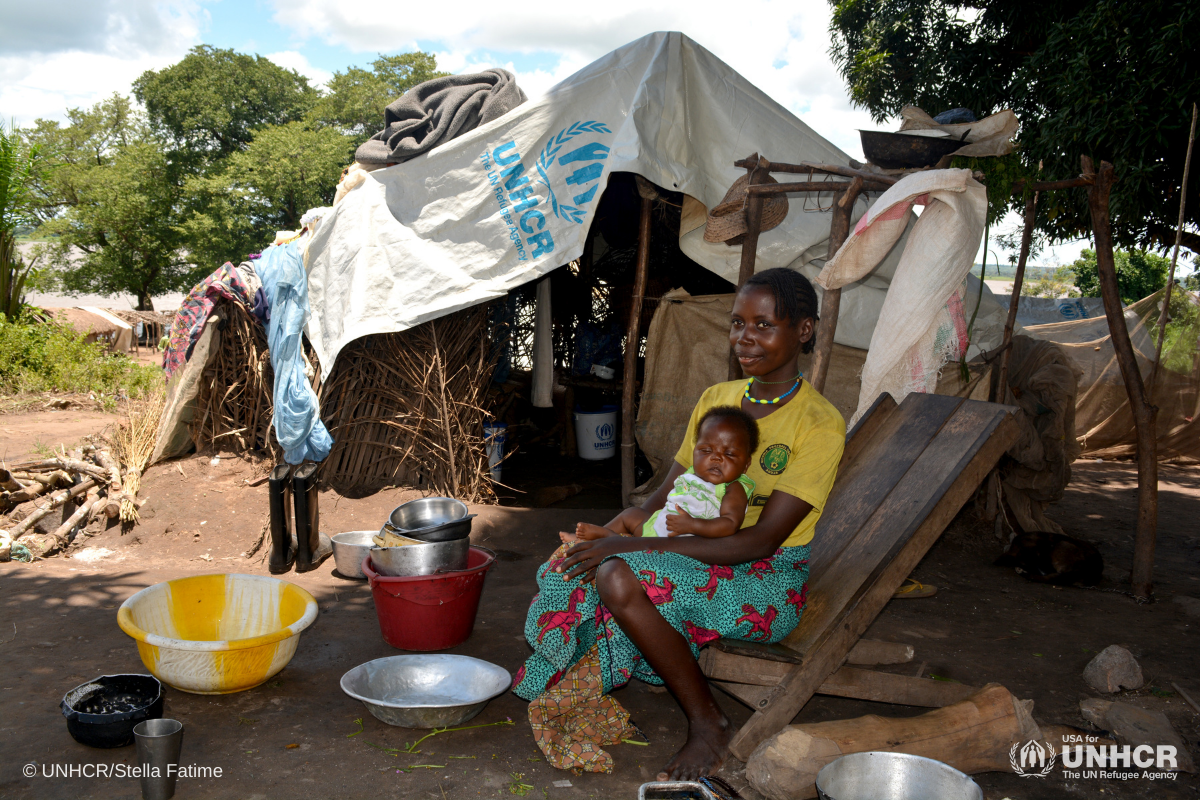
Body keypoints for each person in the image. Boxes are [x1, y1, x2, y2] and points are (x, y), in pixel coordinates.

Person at [514, 267, 846, 781]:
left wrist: (631, 553)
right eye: (738, 324)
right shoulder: (717, 400)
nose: (745, 339)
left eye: (763, 325)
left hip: (763, 577)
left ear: (802, 331)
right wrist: (622, 529)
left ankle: (709, 721)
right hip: (688, 549)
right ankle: (591, 668)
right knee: (575, 564)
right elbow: (667, 499)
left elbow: (760, 541)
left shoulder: (818, 423)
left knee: (616, 574)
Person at [562, 406, 759, 544]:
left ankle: (608, 540)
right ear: (695, 451)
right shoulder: (691, 474)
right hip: (657, 529)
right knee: (631, 514)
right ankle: (586, 539)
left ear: (746, 465)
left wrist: (692, 525)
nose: (716, 458)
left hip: (686, 545)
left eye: (729, 454)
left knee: (632, 543)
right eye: (706, 451)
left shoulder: (733, 489)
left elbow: (730, 524)